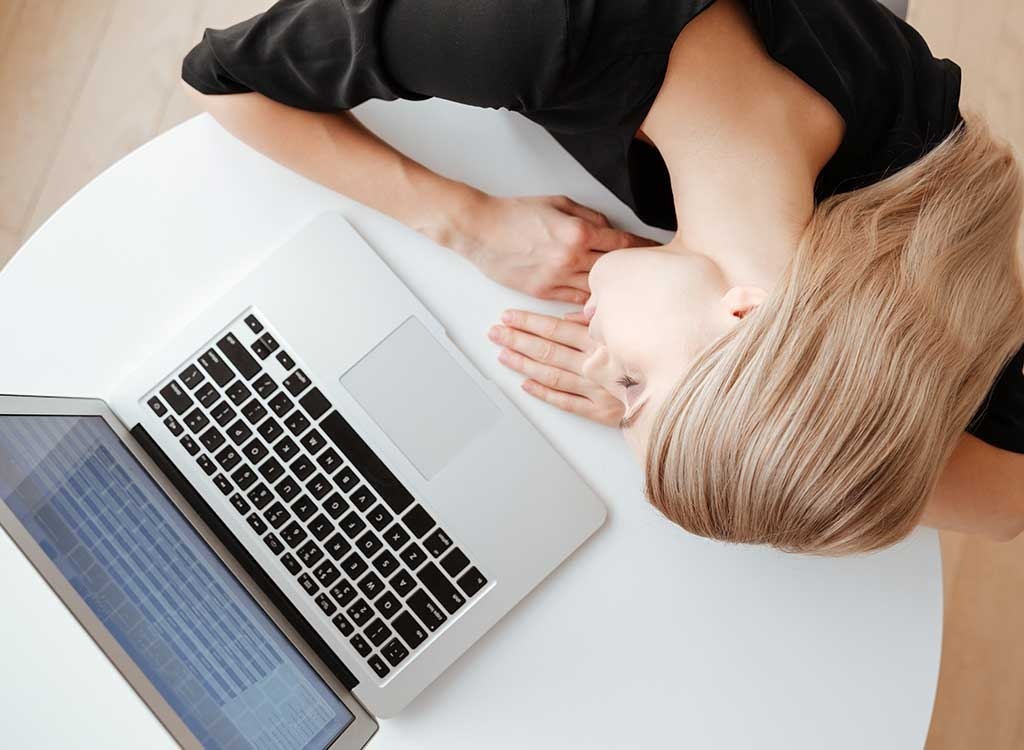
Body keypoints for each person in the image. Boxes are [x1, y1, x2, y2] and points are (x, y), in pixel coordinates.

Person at [182, 0, 1024, 553]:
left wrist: (719, 426)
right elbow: (221, 80)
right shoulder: (531, 30)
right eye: (632, 381)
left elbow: (1006, 505)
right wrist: (467, 222)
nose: (593, 366)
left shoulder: (907, 206)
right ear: (741, 315)